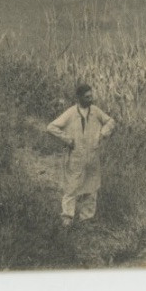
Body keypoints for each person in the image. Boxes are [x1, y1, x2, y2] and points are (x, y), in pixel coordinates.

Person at [45, 82, 116, 227]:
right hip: (75, 157)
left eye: (91, 96)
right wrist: (67, 140)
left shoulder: (95, 111)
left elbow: (110, 121)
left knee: (91, 188)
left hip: (92, 156)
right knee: (71, 187)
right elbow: (51, 127)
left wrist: (102, 134)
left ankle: (87, 219)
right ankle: (67, 218)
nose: (90, 99)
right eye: (87, 97)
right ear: (79, 98)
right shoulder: (71, 113)